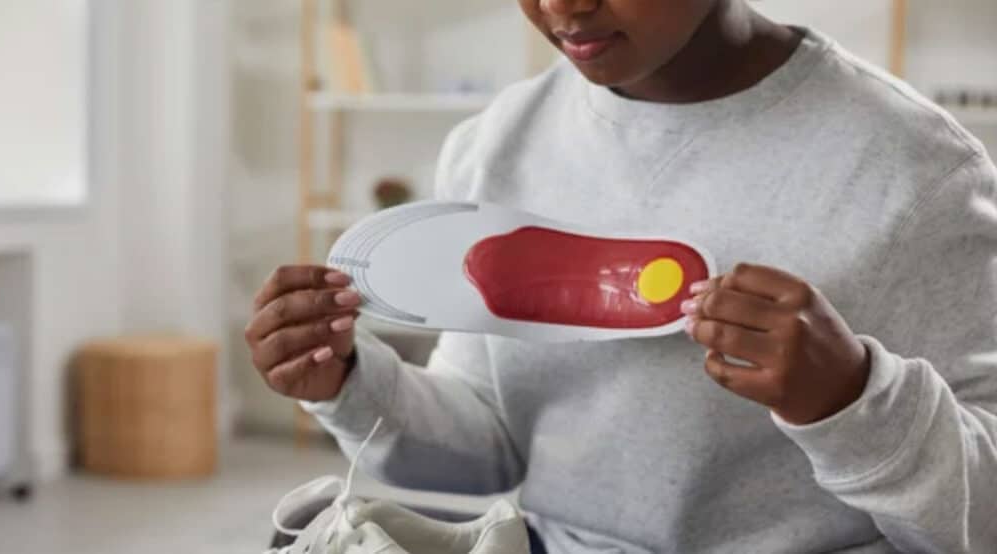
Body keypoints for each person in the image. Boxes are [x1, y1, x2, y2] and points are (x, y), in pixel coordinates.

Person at [245, 1, 997, 552]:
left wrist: (855, 400)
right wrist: (346, 382)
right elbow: (491, 447)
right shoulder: (495, 145)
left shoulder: (919, 171)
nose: (562, 8)